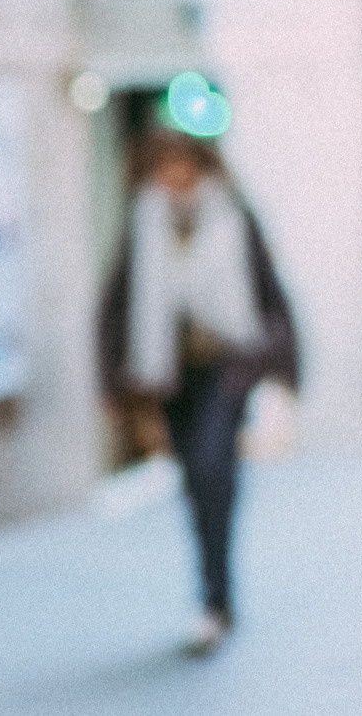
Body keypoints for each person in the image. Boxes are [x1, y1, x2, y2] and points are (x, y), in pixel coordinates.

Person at [98, 129, 299, 656]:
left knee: (215, 470)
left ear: (201, 165)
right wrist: (110, 381)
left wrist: (283, 367)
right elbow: (115, 301)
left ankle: (215, 598)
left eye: (183, 164)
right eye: (164, 166)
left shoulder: (232, 217)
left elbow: (268, 292)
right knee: (195, 481)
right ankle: (214, 593)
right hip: (169, 376)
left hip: (226, 371)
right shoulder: (143, 222)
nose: (175, 176)